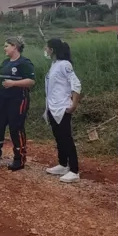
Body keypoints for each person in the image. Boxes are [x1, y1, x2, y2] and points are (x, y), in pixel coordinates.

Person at [0, 36, 35, 171]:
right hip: (1, 100)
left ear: (14, 47)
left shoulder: (24, 62)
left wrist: (14, 83)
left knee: (15, 128)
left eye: (6, 46)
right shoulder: (5, 63)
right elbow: (0, 82)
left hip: (17, 100)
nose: (4, 48)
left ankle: (19, 159)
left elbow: (31, 81)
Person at [43, 38, 82, 183]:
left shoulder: (65, 65)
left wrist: (73, 104)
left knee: (66, 138)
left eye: (47, 47)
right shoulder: (55, 64)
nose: (45, 50)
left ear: (52, 50)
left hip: (62, 107)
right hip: (53, 108)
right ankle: (63, 164)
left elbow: (76, 84)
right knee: (58, 137)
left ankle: (74, 170)